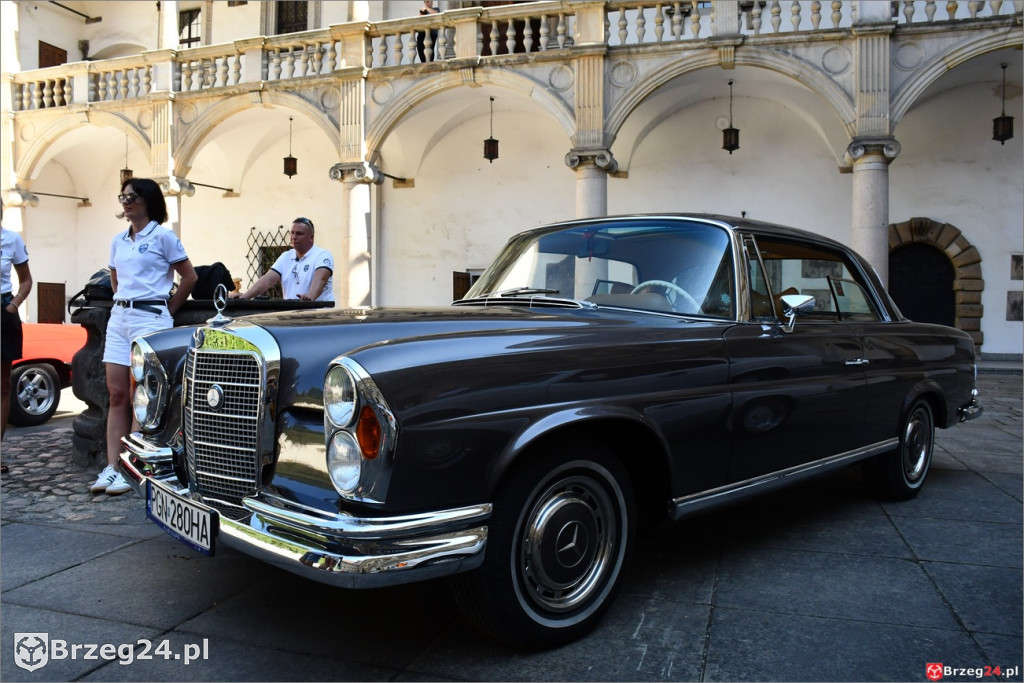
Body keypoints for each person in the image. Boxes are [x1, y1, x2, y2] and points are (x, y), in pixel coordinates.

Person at [92, 178, 197, 495]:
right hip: (120, 318)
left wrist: (167, 310)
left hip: (150, 318)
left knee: (142, 396)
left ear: (148, 200)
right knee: (116, 394)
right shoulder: (118, 240)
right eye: (123, 196)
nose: (126, 202)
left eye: (132, 197)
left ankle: (131, 467)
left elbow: (189, 276)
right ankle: (111, 466)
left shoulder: (163, 236)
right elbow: (115, 279)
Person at [1, 203, 33, 474]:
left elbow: (26, 280)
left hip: (3, 310)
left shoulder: (11, 239)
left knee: (3, 387)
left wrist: (14, 304)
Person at [232, 217, 334, 302]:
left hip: (318, 318)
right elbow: (267, 280)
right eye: (292, 233)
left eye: (299, 234)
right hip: (291, 316)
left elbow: (321, 280)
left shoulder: (322, 255)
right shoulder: (286, 256)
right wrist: (245, 296)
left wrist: (311, 295)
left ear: (311, 238)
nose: (294, 237)